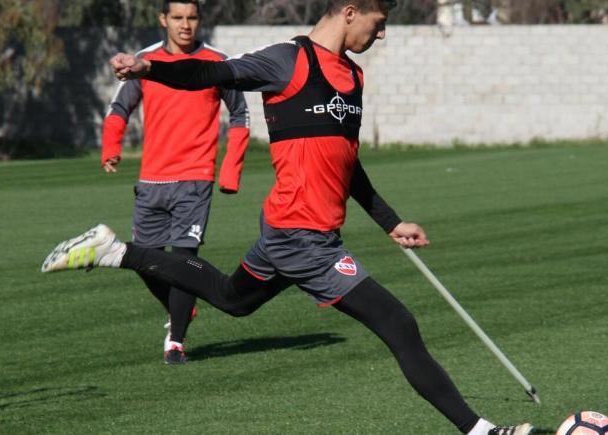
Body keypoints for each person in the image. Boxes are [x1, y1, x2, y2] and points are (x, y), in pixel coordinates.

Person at [43, 1, 532, 433]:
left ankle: (115, 250)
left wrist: (389, 221)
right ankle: (482, 432)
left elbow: (347, 163)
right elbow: (209, 75)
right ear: (349, 13)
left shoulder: (354, 77)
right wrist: (149, 67)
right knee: (398, 322)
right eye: (378, 22)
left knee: (232, 300)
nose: (381, 34)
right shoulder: (286, 61)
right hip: (304, 240)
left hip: (292, 233)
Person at [101, 0, 250, 364]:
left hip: (195, 179)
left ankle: (176, 342)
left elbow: (241, 114)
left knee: (184, 259)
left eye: (192, 18)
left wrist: (230, 170)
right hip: (151, 180)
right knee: (145, 259)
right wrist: (111, 145)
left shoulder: (217, 63)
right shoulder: (146, 60)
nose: (186, 25)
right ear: (163, 20)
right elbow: (120, 107)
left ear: (199, 20)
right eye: (178, 18)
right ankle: (181, 306)